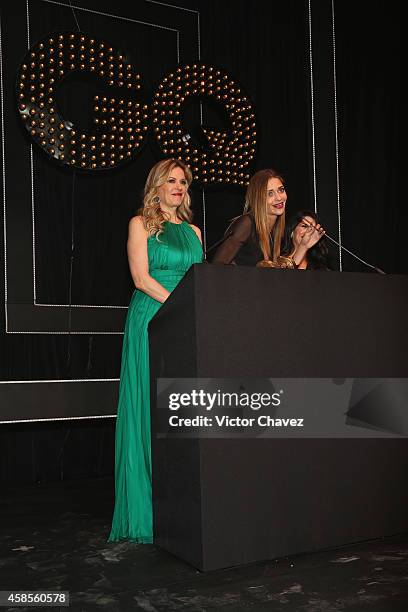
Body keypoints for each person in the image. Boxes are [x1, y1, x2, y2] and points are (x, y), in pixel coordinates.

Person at [109, 158, 203, 543]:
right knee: (149, 409)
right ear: (156, 186)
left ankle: (182, 507)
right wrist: (181, 308)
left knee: (179, 412)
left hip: (186, 322)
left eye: (183, 181)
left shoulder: (195, 231)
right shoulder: (141, 224)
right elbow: (141, 278)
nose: (178, 187)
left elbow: (202, 279)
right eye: (171, 180)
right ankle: (147, 510)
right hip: (152, 318)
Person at [211, 168, 287, 266]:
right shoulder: (247, 223)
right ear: (258, 199)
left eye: (281, 190)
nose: (279, 197)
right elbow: (218, 266)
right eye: (270, 193)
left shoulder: (277, 229)